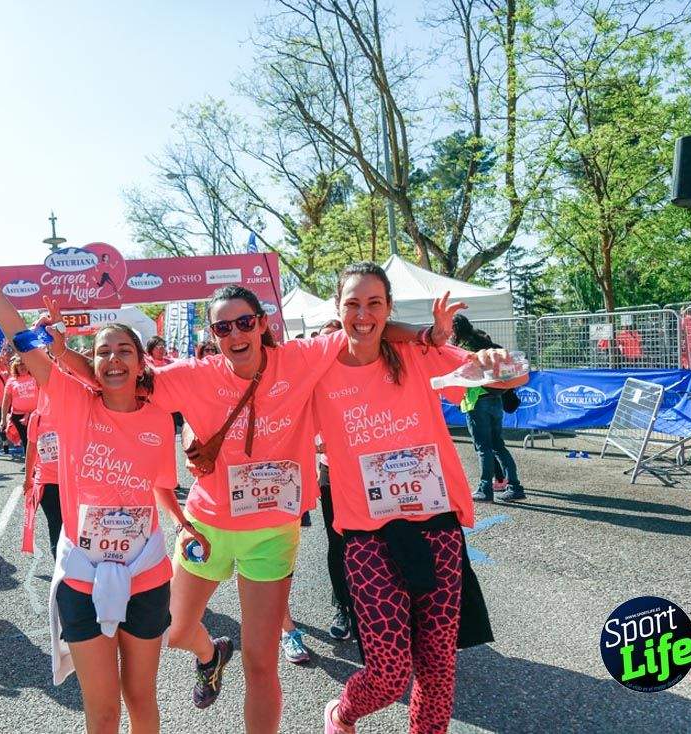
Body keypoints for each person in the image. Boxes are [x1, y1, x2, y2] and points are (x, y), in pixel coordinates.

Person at [52, 283, 455, 733]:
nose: (236, 334)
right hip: (210, 525)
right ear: (213, 333)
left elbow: (362, 325)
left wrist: (425, 335)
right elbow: (115, 376)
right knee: (178, 631)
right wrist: (65, 355)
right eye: (223, 327)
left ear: (262, 324)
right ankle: (211, 654)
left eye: (245, 322)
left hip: (273, 530)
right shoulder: (193, 375)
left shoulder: (302, 359)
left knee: (262, 663)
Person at [0, 222, 191, 734]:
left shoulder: (156, 417)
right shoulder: (72, 400)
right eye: (103, 352)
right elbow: (19, 331)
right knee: (102, 711)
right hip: (82, 573)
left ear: (140, 361)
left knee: (141, 700)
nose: (112, 359)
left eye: (123, 351)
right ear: (93, 364)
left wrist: (185, 523)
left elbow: (163, 487)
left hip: (146, 572)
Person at [312, 263, 506, 734]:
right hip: (368, 537)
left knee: (438, 668)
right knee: (389, 672)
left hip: (436, 525)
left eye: (374, 303)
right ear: (338, 309)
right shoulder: (316, 369)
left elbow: (490, 377)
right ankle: (342, 712)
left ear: (388, 308)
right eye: (353, 303)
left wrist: (499, 366)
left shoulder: (414, 355)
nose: (364, 313)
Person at [451, 314, 526, 503]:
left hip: (477, 399)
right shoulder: (482, 339)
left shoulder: (462, 348)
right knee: (498, 445)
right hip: (496, 397)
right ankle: (514, 486)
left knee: (483, 447)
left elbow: (462, 375)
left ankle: (485, 489)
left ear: (454, 330)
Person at [23, 385, 61, 558]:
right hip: (47, 482)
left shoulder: (76, 412)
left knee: (76, 530)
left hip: (74, 483)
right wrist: (28, 480)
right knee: (55, 526)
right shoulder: (36, 417)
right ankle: (62, 576)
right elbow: (31, 449)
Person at [1, 357, 37, 450]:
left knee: (38, 439)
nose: (22, 366)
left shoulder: (36, 376)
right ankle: (29, 463)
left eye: (24, 363)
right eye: (19, 364)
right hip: (19, 416)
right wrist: (3, 419)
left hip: (36, 414)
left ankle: (39, 463)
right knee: (26, 440)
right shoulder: (11, 380)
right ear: (15, 367)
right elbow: (6, 401)